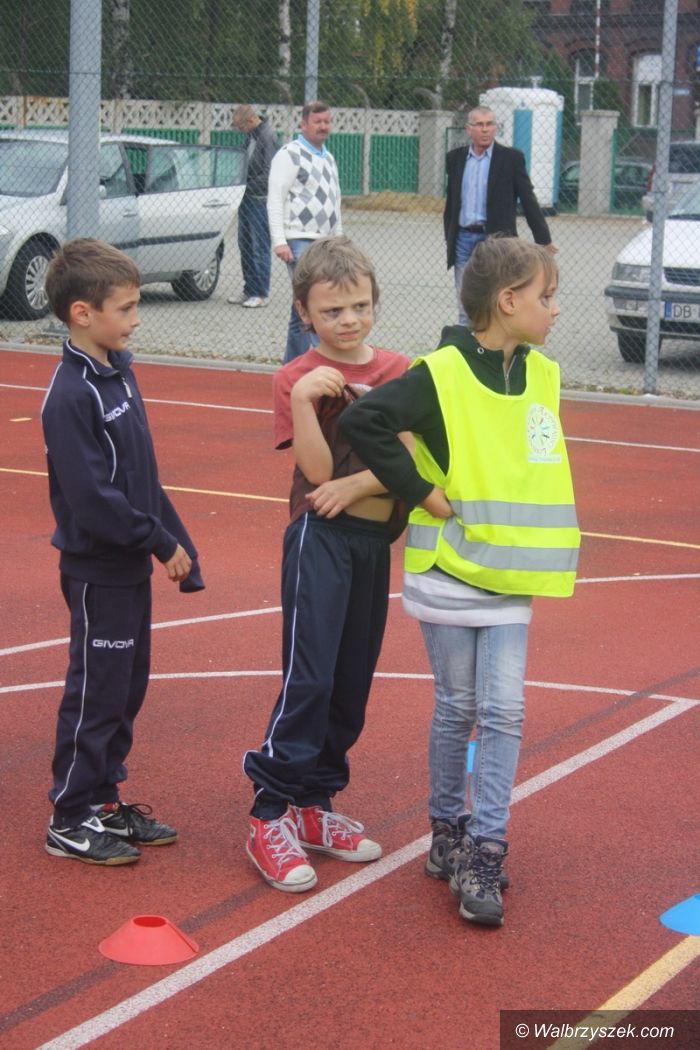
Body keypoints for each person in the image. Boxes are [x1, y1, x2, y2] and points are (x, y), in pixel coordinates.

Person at [340, 237, 580, 927]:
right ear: (507, 302)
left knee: (503, 710)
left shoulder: (544, 376)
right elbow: (364, 419)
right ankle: (446, 830)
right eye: (545, 296)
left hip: (512, 576)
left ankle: (487, 847)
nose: (555, 309)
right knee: (458, 706)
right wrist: (421, 491)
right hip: (449, 570)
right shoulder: (439, 374)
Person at [242, 236, 410, 893]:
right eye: (333, 310)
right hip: (320, 540)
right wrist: (306, 402)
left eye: (360, 306)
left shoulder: (398, 371)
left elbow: (407, 462)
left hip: (373, 542)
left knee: (350, 682)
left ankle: (315, 805)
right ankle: (268, 813)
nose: (349, 320)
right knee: (309, 676)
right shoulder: (294, 377)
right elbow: (315, 473)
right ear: (304, 312)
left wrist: (359, 484)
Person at [41, 238, 205, 866]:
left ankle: (104, 798)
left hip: (130, 564)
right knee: (96, 691)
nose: (137, 318)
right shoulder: (71, 394)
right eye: (127, 307)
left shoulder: (119, 373)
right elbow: (94, 499)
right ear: (83, 313)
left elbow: (142, 475)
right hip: (98, 570)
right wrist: (156, 540)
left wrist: (177, 540)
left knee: (127, 687)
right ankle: (69, 814)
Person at [444, 106, 557, 323]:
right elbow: (452, 201)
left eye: (489, 124)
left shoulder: (511, 159)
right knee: (465, 304)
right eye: (479, 125)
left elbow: (528, 199)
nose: (485, 129)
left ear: (496, 128)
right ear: (469, 129)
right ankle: (466, 343)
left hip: (496, 241)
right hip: (463, 240)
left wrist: (543, 239)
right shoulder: (455, 159)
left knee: (497, 300)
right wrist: (449, 234)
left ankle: (493, 342)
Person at [267, 101, 342, 362]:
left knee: (301, 308)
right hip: (299, 241)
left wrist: (339, 240)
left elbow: (335, 201)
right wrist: (279, 240)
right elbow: (275, 198)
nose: (323, 126)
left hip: (325, 244)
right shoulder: (289, 155)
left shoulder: (329, 158)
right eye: (317, 122)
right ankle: (328, 361)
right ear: (303, 124)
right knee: (316, 300)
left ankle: (291, 368)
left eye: (327, 122)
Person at [227, 105, 279, 309]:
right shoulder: (251, 136)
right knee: (245, 245)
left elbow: (269, 173)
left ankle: (261, 293)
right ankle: (249, 289)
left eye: (241, 126)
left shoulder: (267, 137)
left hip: (259, 199)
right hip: (246, 198)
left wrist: (245, 187)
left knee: (259, 246)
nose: (240, 130)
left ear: (250, 121)